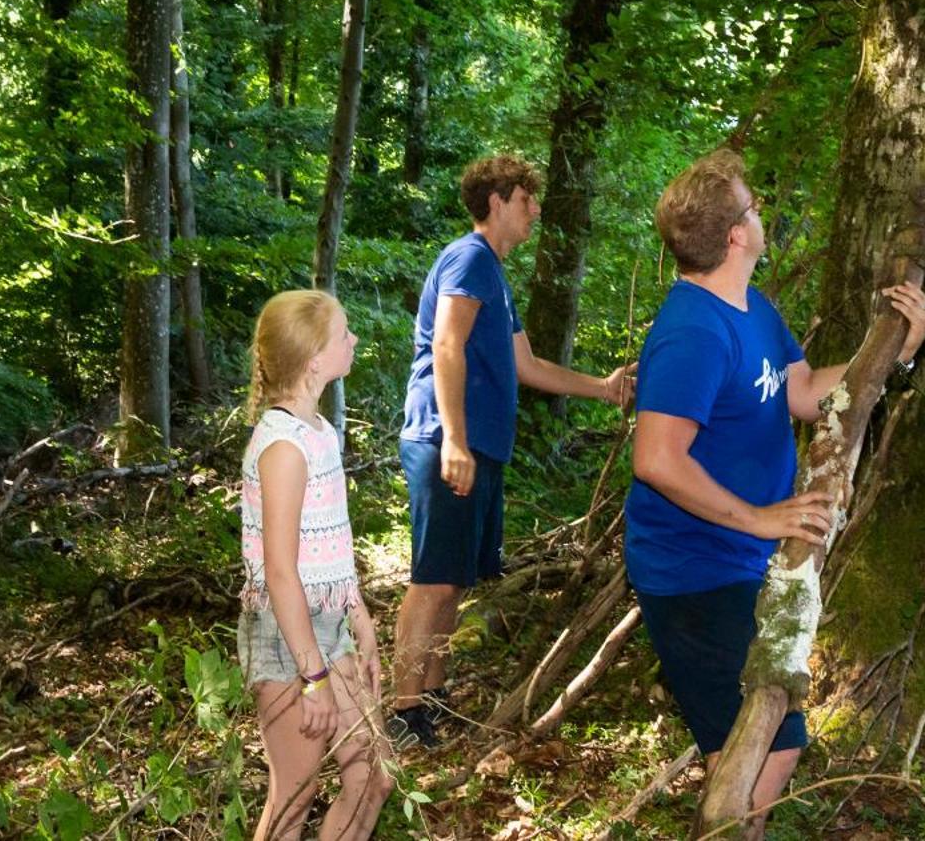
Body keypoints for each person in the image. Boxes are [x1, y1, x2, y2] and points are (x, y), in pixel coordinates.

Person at [625, 149, 925, 817]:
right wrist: (762, 518)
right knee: (771, 743)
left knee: (753, 747)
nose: (761, 209)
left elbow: (802, 390)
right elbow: (656, 457)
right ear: (736, 234)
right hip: (691, 571)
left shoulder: (751, 308)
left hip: (735, 561)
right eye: (752, 203)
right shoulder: (694, 331)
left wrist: (897, 351)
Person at [390, 155, 634, 748]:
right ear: (497, 201)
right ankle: (401, 711)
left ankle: (434, 696)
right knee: (432, 579)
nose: (537, 210)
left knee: (454, 579)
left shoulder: (494, 278)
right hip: (446, 440)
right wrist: (454, 438)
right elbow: (447, 345)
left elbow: (526, 366)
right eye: (528, 198)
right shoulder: (470, 258)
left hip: (474, 446)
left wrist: (603, 387)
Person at [238, 290, 394, 840]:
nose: (353, 340)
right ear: (313, 361)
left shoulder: (320, 432)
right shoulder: (283, 448)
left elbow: (330, 545)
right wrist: (313, 677)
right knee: (294, 796)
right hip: (289, 638)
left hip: (327, 626)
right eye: (344, 333)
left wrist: (359, 617)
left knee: (373, 775)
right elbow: (280, 572)